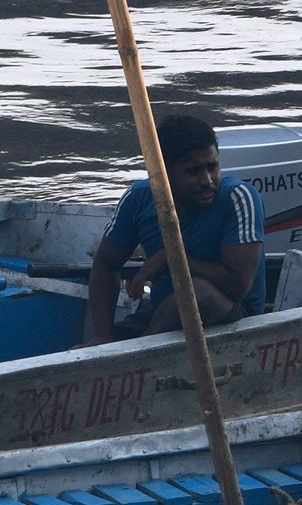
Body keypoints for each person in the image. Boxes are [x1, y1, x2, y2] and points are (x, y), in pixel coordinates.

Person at [82, 113, 266, 343]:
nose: (208, 180)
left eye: (213, 167)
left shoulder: (238, 198)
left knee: (194, 293)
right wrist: (104, 334)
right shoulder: (138, 199)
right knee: (83, 350)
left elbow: (238, 285)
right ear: (164, 173)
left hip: (232, 319)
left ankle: (141, 356)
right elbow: (106, 265)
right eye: (194, 171)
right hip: (161, 313)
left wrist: (170, 259)